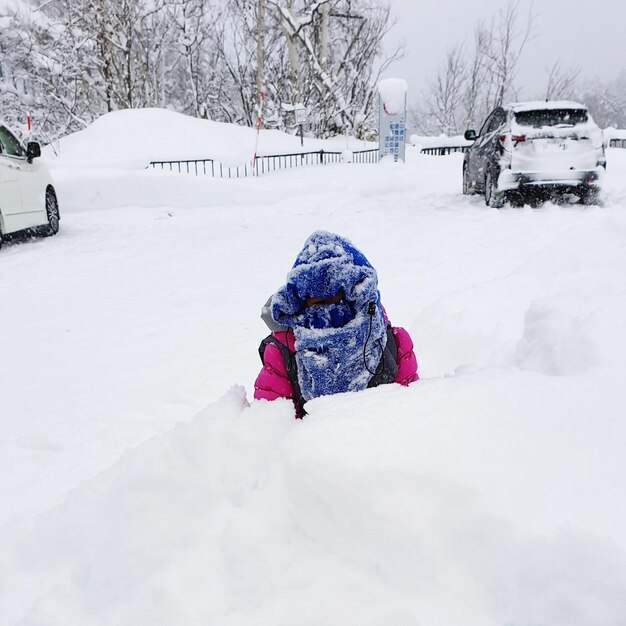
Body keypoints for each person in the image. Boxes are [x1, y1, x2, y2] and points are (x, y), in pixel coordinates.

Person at [254, 231, 418, 417]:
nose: (330, 310)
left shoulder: (391, 344)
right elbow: (272, 425)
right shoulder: (284, 352)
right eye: (319, 303)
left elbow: (410, 415)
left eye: (339, 300)